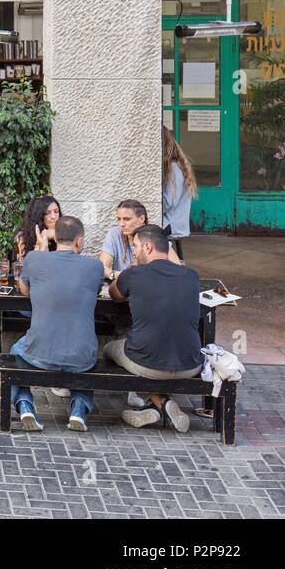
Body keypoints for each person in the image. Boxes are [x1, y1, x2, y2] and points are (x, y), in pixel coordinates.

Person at [10, 215, 104, 431]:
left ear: (55, 237)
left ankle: (24, 404)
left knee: (14, 354)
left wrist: (41, 251)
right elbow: (97, 291)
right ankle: (79, 409)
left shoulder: (34, 258)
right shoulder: (95, 266)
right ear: (79, 240)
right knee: (90, 355)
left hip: (39, 353)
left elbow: (25, 290)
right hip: (80, 357)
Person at [106, 224, 203, 433]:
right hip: (192, 364)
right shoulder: (191, 276)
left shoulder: (134, 274)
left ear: (148, 247)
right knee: (150, 347)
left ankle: (152, 398)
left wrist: (129, 272)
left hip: (148, 365)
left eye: (135, 246)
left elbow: (114, 294)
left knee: (109, 349)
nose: (134, 251)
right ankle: (159, 404)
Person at [98, 199, 180, 277]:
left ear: (141, 219)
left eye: (126, 219)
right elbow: (102, 267)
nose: (121, 224)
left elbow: (177, 268)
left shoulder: (154, 234)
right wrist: (116, 275)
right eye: (119, 219)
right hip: (123, 285)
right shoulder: (115, 234)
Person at [161, 125, 198, 261]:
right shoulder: (174, 165)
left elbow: (167, 203)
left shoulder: (173, 168)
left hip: (172, 225)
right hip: (171, 222)